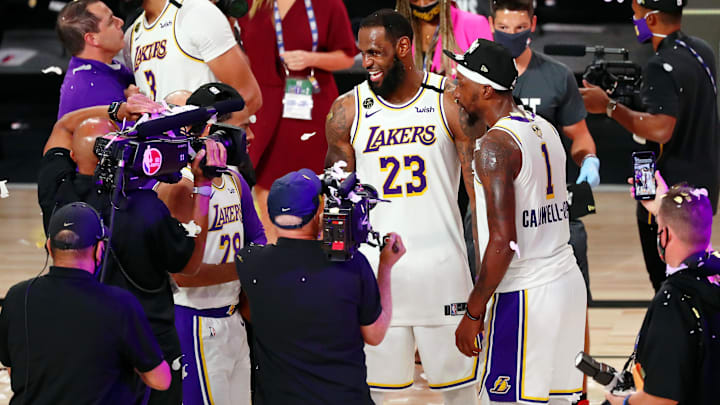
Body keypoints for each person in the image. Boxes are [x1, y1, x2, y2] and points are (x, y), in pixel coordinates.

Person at [325, 10, 483, 405]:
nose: (368, 63)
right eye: (363, 53)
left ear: (403, 48)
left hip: (443, 273)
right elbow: (335, 202)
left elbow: (478, 194)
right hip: (378, 280)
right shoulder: (346, 110)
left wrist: (485, 279)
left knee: (462, 396)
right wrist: (336, 276)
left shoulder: (449, 100)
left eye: (376, 52)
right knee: (383, 397)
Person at [37, 99, 227, 405]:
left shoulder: (56, 192)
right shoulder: (145, 208)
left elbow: (64, 125)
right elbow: (189, 265)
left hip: (80, 343)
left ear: (72, 156)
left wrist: (116, 110)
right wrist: (202, 188)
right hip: (149, 341)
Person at [449, 38, 586, 404]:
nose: (455, 89)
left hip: (528, 293)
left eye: (461, 81)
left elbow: (503, 242)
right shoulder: (544, 127)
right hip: (566, 283)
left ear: (486, 89)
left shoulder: (496, 147)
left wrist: (474, 311)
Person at [490, 1, 600, 401]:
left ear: (532, 25)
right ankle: (500, 380)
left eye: (519, 26)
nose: (511, 33)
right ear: (490, 24)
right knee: (494, 294)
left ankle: (579, 389)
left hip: (551, 209)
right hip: (497, 207)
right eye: (503, 26)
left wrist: (589, 160)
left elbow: (580, 135)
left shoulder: (555, 76)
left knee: (573, 295)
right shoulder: (475, 75)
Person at [580, 0, 720, 292]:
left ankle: (676, 332)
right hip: (702, 191)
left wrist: (608, 107)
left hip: (664, 196)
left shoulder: (660, 66)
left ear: (652, 19)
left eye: (638, 15)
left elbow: (660, 128)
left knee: (668, 285)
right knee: (693, 277)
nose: (635, 20)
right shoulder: (702, 51)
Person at [235, 168, 406, 404]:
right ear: (318, 211)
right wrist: (385, 268)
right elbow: (375, 334)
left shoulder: (250, 263)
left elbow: (249, 311)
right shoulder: (352, 264)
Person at [156, 84, 266, 405]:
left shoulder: (235, 178)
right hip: (195, 322)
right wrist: (250, 269)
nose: (251, 136)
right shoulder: (177, 187)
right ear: (210, 129)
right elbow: (183, 275)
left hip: (233, 318)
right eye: (243, 127)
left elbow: (256, 237)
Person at [0, 202, 171, 404]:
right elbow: (160, 380)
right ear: (99, 249)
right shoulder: (120, 304)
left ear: (49, 247)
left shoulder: (18, 296)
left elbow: (13, 369)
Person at [238, 0, 357, 242]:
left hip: (312, 111)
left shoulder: (328, 5)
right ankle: (277, 267)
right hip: (263, 115)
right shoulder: (247, 6)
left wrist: (310, 58)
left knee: (319, 195)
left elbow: (346, 57)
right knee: (267, 202)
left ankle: (324, 268)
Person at [604, 174, 720, 405]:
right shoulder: (713, 271)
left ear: (665, 235)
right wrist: (664, 209)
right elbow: (691, 235)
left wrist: (623, 402)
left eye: (660, 228)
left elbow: (661, 400)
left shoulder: (673, 302)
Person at [124, 0, 261, 125]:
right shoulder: (131, 35)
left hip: (204, 148)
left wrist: (206, 139)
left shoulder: (196, 12)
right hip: (161, 148)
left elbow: (249, 96)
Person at [38, 94, 162, 232]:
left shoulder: (54, 185)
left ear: (72, 155)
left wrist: (119, 111)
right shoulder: (143, 206)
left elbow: (64, 126)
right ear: (118, 152)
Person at [56, 0, 137, 120]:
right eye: (111, 22)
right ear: (92, 39)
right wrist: (136, 100)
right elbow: (133, 136)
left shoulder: (99, 69)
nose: (120, 22)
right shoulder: (90, 89)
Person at [395, 0, 492, 75]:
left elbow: (488, 76)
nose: (422, 3)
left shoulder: (474, 24)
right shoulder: (397, 30)